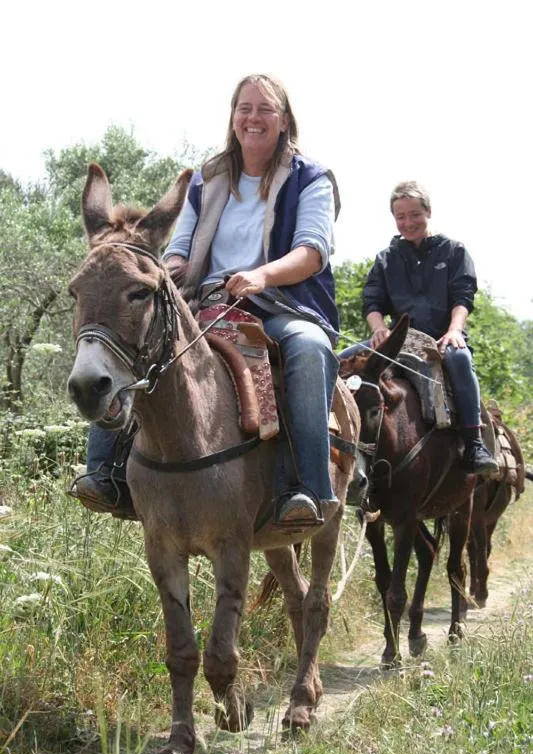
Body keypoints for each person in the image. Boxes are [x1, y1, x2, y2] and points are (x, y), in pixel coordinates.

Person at [74, 73, 341, 525]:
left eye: (265, 109)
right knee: (132, 337)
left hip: (282, 306)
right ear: (233, 117)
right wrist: (162, 270)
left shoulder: (312, 179)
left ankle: (308, 486)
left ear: (284, 120)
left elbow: (312, 252)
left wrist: (261, 274)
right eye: (244, 108)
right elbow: (180, 250)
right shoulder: (206, 179)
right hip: (208, 305)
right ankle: (105, 473)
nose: (253, 117)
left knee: (310, 348)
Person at [340, 180, 498, 475]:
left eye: (414, 214)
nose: (408, 222)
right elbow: (372, 302)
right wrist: (378, 329)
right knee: (339, 362)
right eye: (401, 217)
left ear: (428, 212)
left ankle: (474, 442)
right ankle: (336, 441)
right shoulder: (386, 259)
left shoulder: (453, 251)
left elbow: (463, 297)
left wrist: (454, 330)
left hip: (441, 337)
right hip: (398, 340)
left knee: (460, 359)